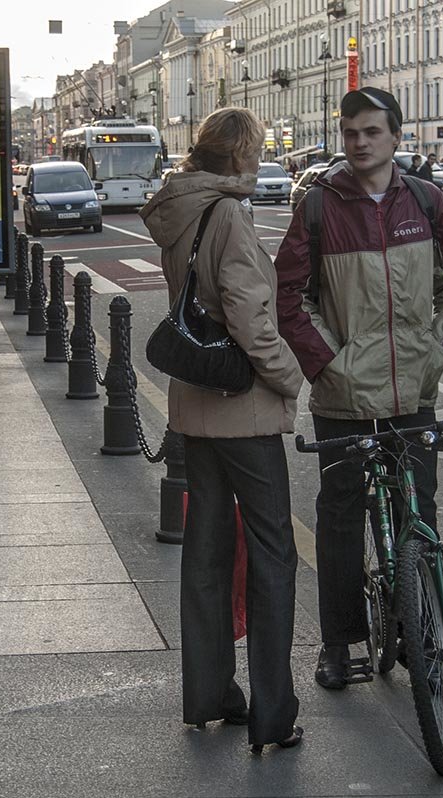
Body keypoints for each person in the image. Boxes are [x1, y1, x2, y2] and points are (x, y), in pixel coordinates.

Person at [273, 87, 443, 695]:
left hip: (413, 392)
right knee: (339, 518)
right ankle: (339, 645)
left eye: (371, 132)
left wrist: (438, 354)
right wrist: (329, 365)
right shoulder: (318, 206)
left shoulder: (426, 200)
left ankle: (416, 624)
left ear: (395, 137)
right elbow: (291, 297)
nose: (359, 142)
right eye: (350, 132)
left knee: (421, 513)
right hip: (342, 395)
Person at [139, 106, 304, 753]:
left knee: (206, 555)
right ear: (239, 154)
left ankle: (209, 695)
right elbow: (248, 317)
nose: (260, 157)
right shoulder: (228, 214)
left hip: (193, 405)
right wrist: (288, 375)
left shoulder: (180, 209)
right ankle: (273, 715)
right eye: (257, 147)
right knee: (272, 557)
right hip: (243, 409)